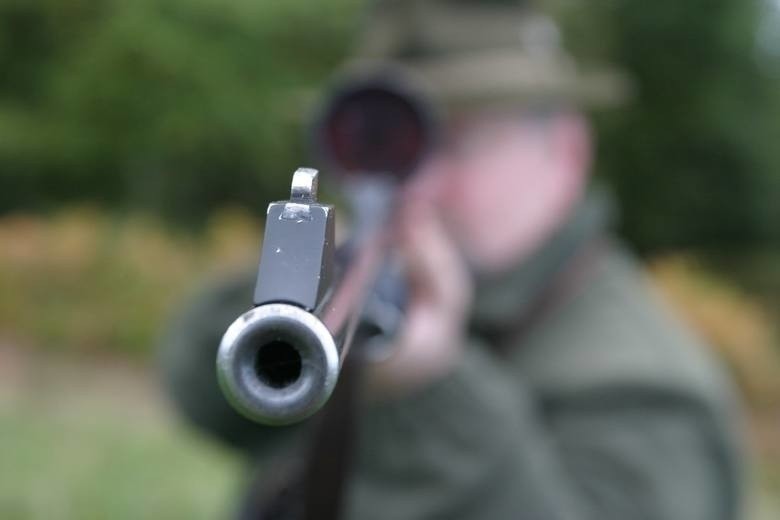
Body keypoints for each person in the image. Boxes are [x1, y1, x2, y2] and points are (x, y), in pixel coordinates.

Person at [161, 1, 744, 519]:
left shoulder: (643, 387)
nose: (415, 182)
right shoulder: (352, 276)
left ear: (566, 151)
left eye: (458, 142)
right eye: (385, 145)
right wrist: (313, 285)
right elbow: (201, 393)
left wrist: (429, 387)